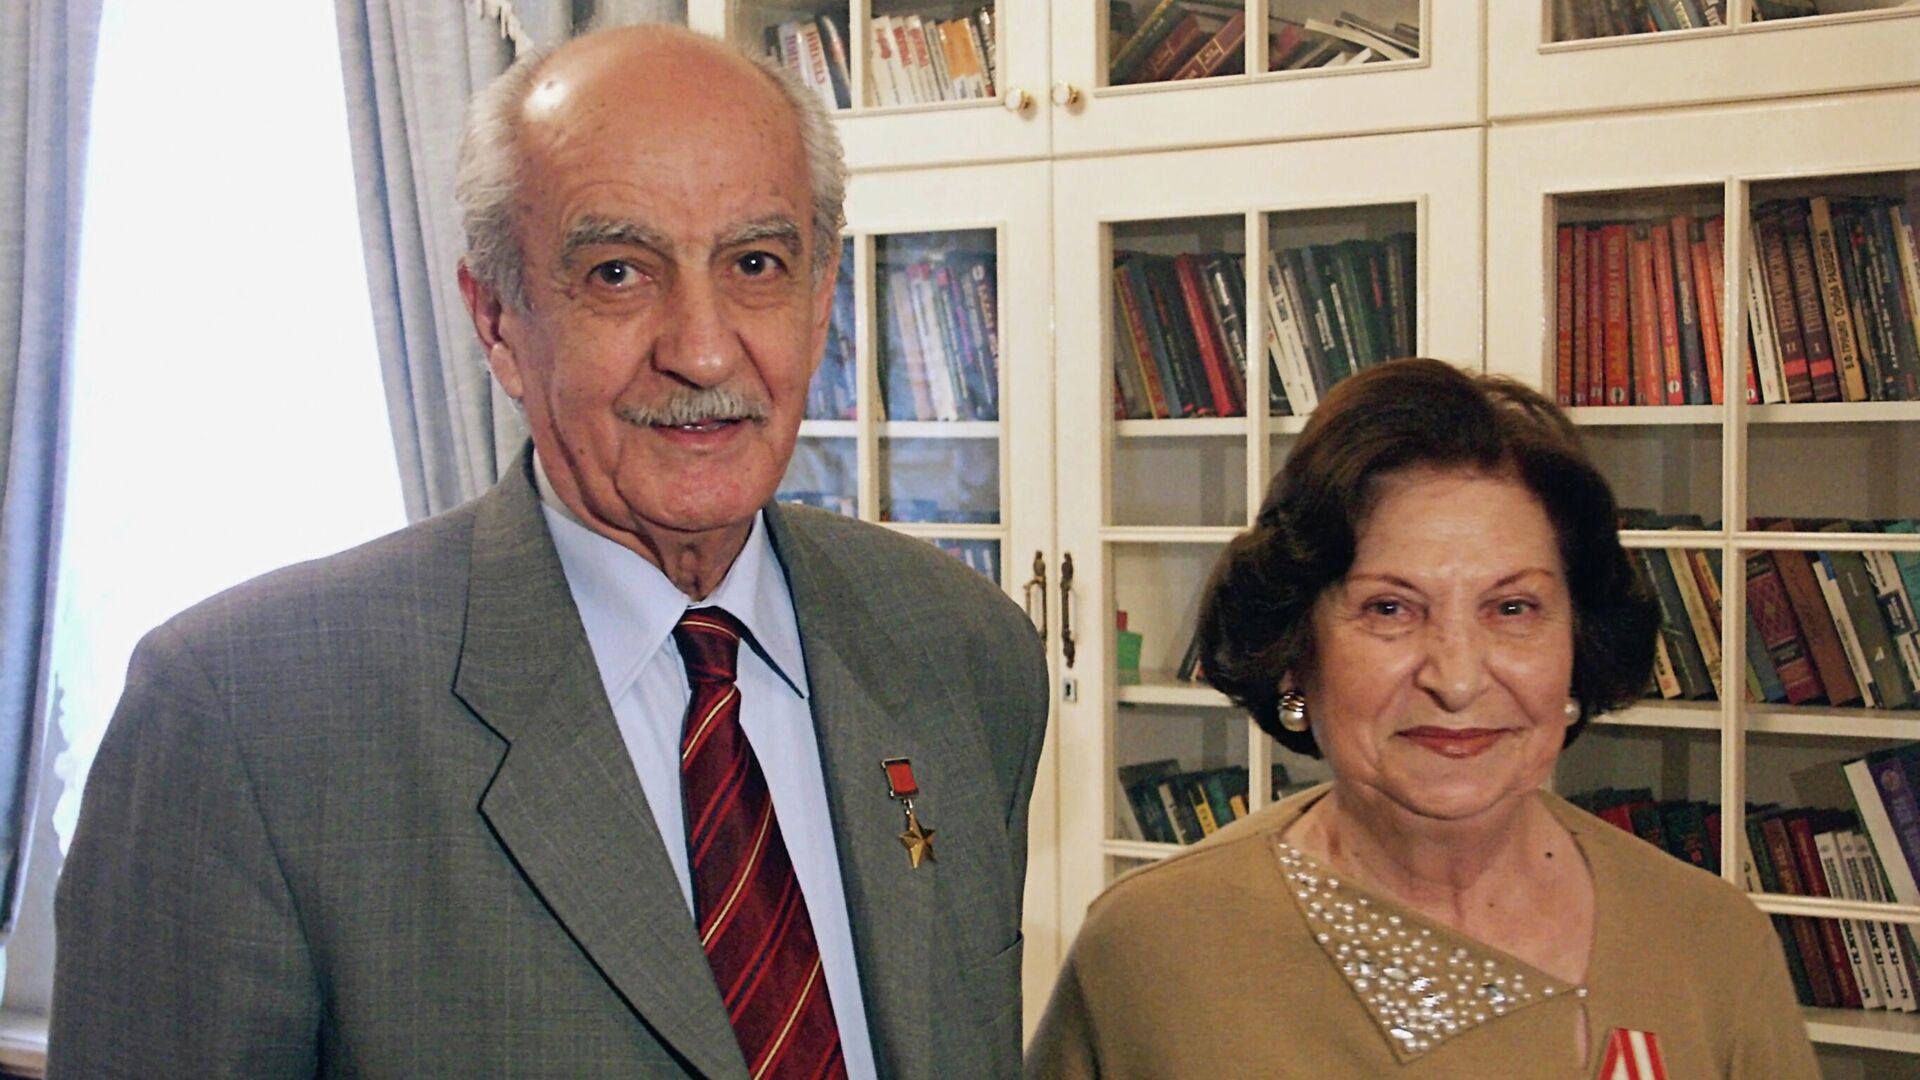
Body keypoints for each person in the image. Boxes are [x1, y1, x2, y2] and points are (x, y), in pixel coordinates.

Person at [49, 26, 1048, 1080]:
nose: (704, 349)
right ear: (496, 322)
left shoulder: (964, 652)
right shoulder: (247, 719)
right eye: (619, 273)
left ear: (820, 294)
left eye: (756, 264)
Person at [1025, 358, 1819, 1079]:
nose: (1458, 678)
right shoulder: (1154, 948)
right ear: (1296, 651)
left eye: (1513, 608)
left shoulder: (1711, 943)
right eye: (1390, 609)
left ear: (1578, 644)